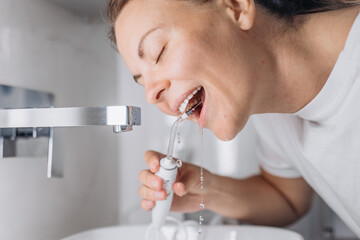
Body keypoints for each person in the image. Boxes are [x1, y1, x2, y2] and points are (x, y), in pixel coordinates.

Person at [107, 0, 360, 236]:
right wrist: (207, 191)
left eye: (158, 52)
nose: (151, 95)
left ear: (237, 7)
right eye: (142, 83)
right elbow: (289, 199)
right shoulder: (265, 97)